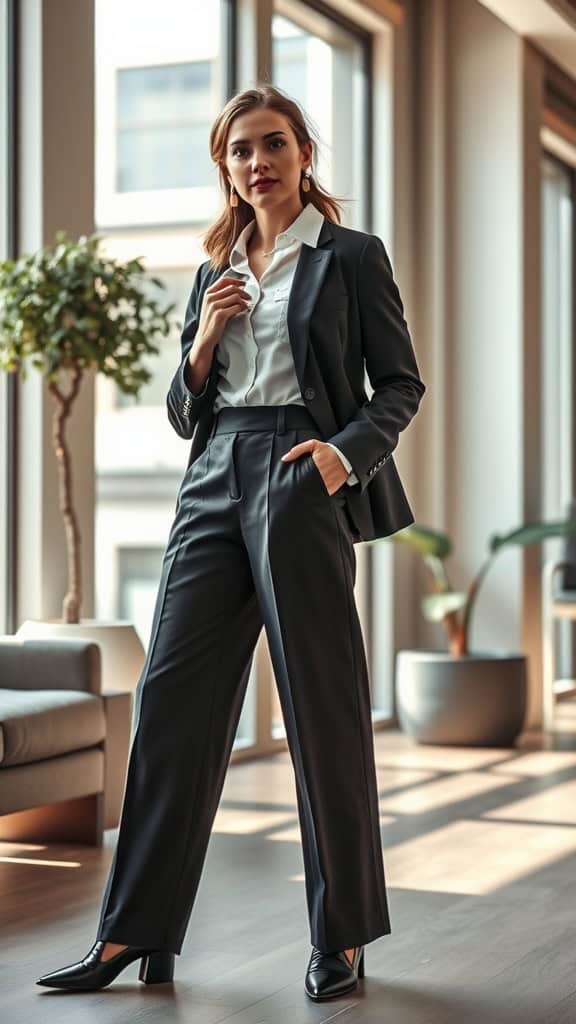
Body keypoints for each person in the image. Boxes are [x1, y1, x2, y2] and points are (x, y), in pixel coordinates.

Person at [36, 83, 425, 1002]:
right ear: (225, 165)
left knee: (321, 707)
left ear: (303, 155)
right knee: (171, 701)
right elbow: (183, 413)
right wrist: (204, 337)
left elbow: (399, 385)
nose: (258, 161)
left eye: (274, 143)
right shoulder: (216, 263)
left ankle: (343, 937)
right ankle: (133, 934)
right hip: (213, 475)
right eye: (241, 149)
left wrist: (340, 456)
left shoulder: (350, 258)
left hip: (300, 469)